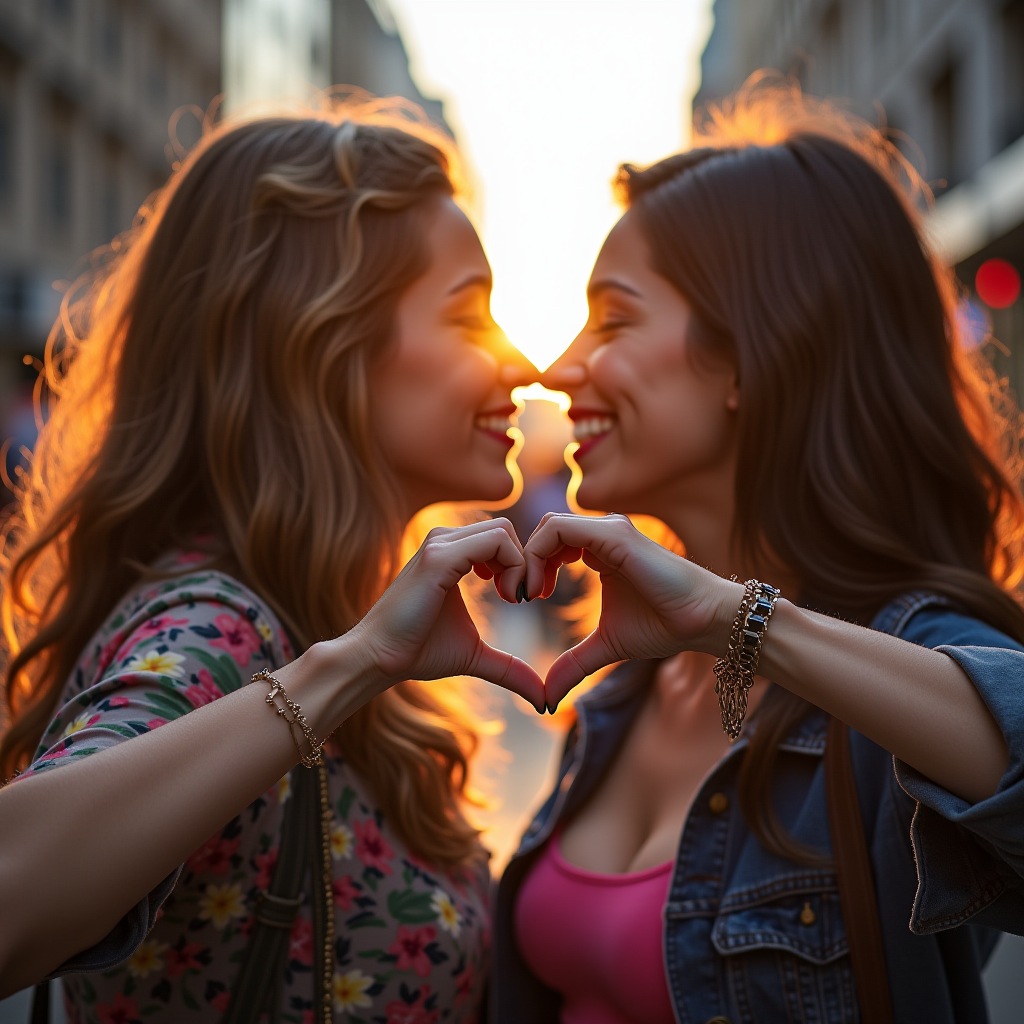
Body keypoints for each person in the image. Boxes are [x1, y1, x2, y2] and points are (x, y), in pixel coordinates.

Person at [0, 103, 545, 1023]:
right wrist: (348, 668)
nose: (522, 362)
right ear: (319, 340)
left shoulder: (316, 615)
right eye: (467, 315)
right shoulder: (217, 625)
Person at [494, 80, 1024, 1023]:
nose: (558, 366)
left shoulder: (913, 661)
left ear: (750, 352)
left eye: (613, 319)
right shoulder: (625, 684)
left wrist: (742, 623)